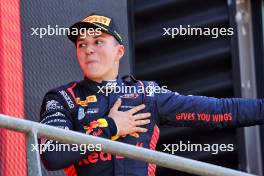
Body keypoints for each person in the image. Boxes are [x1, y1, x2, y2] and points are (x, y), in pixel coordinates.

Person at [39, 13, 264, 176]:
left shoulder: (147, 93)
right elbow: (52, 156)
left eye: (98, 41)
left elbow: (217, 112)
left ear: (119, 52)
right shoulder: (62, 98)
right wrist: (110, 126)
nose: (89, 49)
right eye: (81, 44)